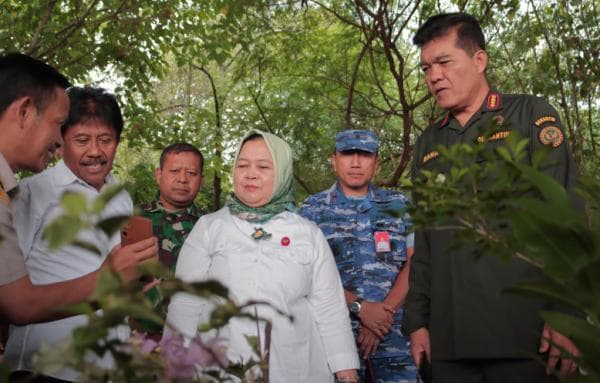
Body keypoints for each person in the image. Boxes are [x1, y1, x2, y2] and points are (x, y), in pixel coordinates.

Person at [403, 12, 581, 382]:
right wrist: (417, 322)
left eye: (444, 62)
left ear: (479, 60)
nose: (433, 76)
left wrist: (567, 316)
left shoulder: (530, 117)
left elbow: (566, 220)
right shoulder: (428, 144)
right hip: (449, 343)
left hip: (526, 337)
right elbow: (426, 243)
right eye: (425, 68)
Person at [165, 129, 360, 382]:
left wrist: (347, 373)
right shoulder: (210, 228)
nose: (250, 174)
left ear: (281, 173)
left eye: (264, 166)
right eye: (242, 165)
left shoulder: (308, 234)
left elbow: (330, 309)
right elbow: (185, 303)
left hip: (294, 369)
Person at [6, 86, 158, 382]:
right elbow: (8, 287)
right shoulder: (33, 193)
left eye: (105, 140)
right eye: (81, 140)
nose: (95, 151)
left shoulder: (121, 197)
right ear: (60, 142)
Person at [0, 53, 155, 327]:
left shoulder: (121, 196)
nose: (59, 141)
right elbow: (15, 301)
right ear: (24, 111)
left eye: (105, 140)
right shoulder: (26, 194)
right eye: (61, 127)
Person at [300, 129, 418, 382]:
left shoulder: (398, 205)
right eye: (347, 154)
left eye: (364, 155)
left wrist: (382, 314)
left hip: (394, 341)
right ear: (334, 160)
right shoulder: (312, 210)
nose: (355, 162)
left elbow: (415, 262)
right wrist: (361, 308)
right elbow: (305, 274)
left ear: (376, 162)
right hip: (334, 342)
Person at [135, 142, 204, 335]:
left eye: (191, 173)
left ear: (201, 180)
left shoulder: (211, 226)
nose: (182, 179)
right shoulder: (133, 220)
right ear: (159, 174)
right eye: (174, 171)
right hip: (141, 336)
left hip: (195, 337)